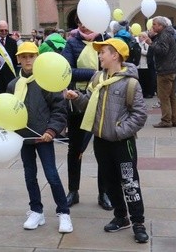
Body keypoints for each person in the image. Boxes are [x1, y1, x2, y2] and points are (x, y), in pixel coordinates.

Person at [65, 38, 149, 244]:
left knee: (129, 182)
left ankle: (138, 222)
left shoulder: (131, 83)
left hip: (122, 143)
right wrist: (76, 97)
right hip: (101, 141)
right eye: (100, 52)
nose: (99, 55)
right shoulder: (97, 78)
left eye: (104, 52)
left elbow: (139, 115)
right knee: (110, 181)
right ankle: (121, 216)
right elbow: (89, 104)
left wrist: (119, 131)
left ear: (116, 56)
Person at [9, 41, 72, 234]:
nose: (28, 60)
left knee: (51, 175)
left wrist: (51, 131)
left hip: (43, 137)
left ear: (37, 57)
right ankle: (36, 210)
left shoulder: (46, 80)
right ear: (19, 59)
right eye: (24, 56)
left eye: (31, 56)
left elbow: (59, 109)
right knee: (30, 176)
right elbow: (9, 110)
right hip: (23, 138)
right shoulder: (13, 85)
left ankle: (64, 212)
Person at [61, 18, 111, 210]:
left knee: (104, 150)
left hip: (104, 101)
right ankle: (73, 191)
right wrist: (93, 73)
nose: (83, 25)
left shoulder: (106, 41)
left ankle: (104, 192)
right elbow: (67, 71)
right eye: (80, 22)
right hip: (79, 101)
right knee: (75, 149)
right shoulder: (72, 43)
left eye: (88, 21)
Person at [145, 17, 176, 128]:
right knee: (172, 95)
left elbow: (162, 51)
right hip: (172, 69)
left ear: (161, 26)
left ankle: (166, 120)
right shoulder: (168, 34)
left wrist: (151, 43)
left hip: (165, 70)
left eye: (154, 24)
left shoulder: (164, 35)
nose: (152, 26)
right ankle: (175, 119)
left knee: (163, 96)